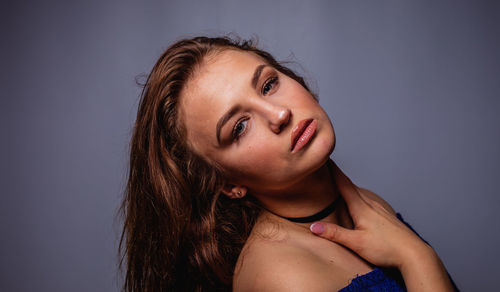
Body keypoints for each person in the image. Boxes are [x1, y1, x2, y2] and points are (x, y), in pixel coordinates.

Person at [120, 36, 458, 291]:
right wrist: (416, 256)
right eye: (239, 127)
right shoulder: (281, 277)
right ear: (228, 184)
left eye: (268, 85)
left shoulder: (367, 206)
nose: (280, 114)